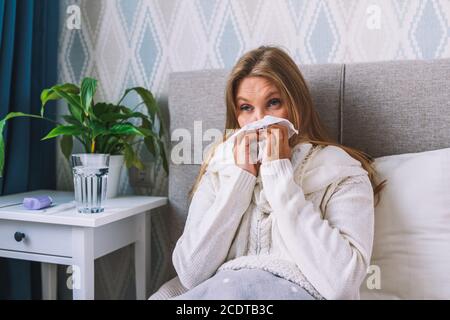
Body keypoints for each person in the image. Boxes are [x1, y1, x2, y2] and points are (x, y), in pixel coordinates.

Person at [152, 45, 386, 300]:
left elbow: (342, 285)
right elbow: (190, 273)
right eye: (246, 108)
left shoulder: (342, 173)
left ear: (297, 105)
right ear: (236, 116)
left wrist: (279, 177)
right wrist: (240, 181)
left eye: (273, 103)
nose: (259, 120)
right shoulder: (219, 169)